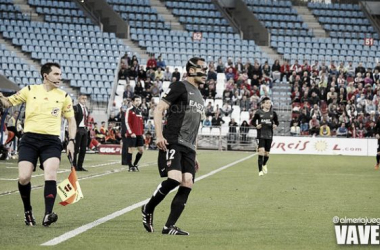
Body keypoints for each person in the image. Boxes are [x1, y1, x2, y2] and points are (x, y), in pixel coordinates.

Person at [0, 62, 76, 226]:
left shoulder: (64, 96)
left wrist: (71, 141)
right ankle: (28, 211)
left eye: (60, 74)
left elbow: (71, 120)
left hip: (51, 141)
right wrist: (0, 97)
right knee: (24, 177)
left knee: (50, 174)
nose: (59, 78)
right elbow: (7, 103)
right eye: (56, 74)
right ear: (45, 76)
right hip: (29, 140)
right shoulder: (29, 90)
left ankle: (48, 214)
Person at [141, 57, 206, 235]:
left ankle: (169, 226)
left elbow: (195, 127)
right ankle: (148, 208)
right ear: (191, 70)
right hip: (174, 140)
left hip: (189, 147)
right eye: (202, 68)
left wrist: (196, 153)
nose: (206, 72)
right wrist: (159, 135)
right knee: (175, 179)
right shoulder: (179, 86)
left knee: (187, 183)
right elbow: (159, 109)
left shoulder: (200, 96)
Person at [250, 97, 279, 176]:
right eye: (267, 103)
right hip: (261, 135)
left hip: (269, 135)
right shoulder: (258, 112)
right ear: (263, 104)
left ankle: (264, 164)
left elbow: (277, 122)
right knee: (261, 152)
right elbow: (252, 121)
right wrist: (256, 125)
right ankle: (260, 171)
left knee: (267, 154)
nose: (269, 104)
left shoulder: (273, 113)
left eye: (269, 103)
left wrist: (275, 125)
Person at [124, 95, 144, 172]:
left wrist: (142, 132)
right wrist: (131, 132)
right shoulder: (129, 110)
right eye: (136, 100)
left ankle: (135, 164)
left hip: (139, 134)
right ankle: (130, 166)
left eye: (139, 100)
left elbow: (141, 123)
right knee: (131, 149)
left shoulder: (139, 110)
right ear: (132, 101)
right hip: (132, 134)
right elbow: (127, 122)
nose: (138, 102)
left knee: (141, 150)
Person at [73, 94, 89, 171]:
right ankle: (74, 165)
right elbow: (73, 119)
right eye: (83, 98)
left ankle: (80, 166)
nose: (84, 100)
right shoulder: (76, 107)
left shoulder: (86, 108)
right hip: (78, 129)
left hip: (84, 129)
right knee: (76, 149)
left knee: (83, 149)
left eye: (85, 98)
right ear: (79, 99)